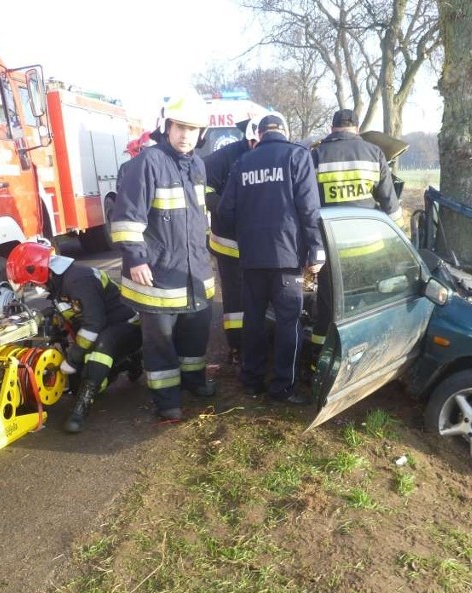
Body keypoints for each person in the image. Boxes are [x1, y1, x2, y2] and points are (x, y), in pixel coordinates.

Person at [109, 92, 216, 421]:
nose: (186, 135)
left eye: (193, 129)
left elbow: (200, 218)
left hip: (192, 269)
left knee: (195, 334)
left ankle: (193, 380)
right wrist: (136, 259)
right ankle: (166, 399)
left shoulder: (197, 164)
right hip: (156, 272)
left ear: (201, 134)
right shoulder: (147, 163)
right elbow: (127, 219)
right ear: (167, 127)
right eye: (180, 127)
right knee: (161, 342)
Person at [218, 113, 325, 405]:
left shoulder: (243, 163)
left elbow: (225, 211)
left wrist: (248, 231)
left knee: (252, 319)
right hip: (287, 258)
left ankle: (251, 381)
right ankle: (282, 388)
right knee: (288, 322)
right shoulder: (297, 156)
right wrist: (315, 250)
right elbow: (309, 208)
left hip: (251, 258)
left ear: (260, 134)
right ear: (285, 131)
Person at [5, 241, 143, 433]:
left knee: (100, 349)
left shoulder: (78, 281)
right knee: (82, 378)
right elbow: (70, 312)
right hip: (104, 327)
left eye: (29, 283)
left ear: (36, 271)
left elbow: (92, 326)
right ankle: (127, 363)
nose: (31, 286)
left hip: (128, 327)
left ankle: (81, 408)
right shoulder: (59, 281)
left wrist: (73, 358)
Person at [309, 108, 404, 360]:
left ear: (332, 129)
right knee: (368, 304)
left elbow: (307, 205)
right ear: (357, 129)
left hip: (332, 249)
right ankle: (367, 355)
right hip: (368, 248)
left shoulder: (316, 155)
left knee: (329, 306)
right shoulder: (374, 154)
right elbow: (390, 207)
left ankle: (321, 358)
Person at [203, 112, 266, 366]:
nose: (257, 148)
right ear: (249, 139)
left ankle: (259, 338)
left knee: (258, 292)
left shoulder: (268, 154)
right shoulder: (223, 158)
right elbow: (203, 188)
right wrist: (227, 209)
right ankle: (236, 347)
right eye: (254, 144)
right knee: (234, 296)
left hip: (257, 243)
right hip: (228, 242)